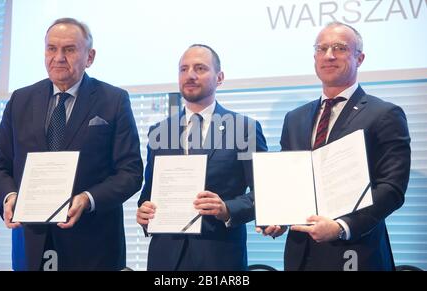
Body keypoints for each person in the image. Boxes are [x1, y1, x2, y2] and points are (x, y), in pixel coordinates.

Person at [0, 18, 143, 271]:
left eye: (69, 49)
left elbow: (131, 173)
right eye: (51, 48)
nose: (58, 57)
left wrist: (87, 198)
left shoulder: (113, 100)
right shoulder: (20, 100)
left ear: (89, 57)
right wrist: (9, 196)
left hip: (93, 248)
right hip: (31, 246)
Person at [258, 21, 410, 271]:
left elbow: (391, 188)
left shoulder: (384, 114)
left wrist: (342, 227)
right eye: (322, 48)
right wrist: (277, 217)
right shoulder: (294, 118)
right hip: (300, 254)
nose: (329, 55)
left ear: (359, 58)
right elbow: (291, 182)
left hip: (356, 252)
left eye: (339, 48)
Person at [136, 44, 268, 271]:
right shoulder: (159, 131)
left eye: (200, 68)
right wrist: (144, 212)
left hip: (219, 256)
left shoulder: (244, 128)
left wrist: (227, 209)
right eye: (183, 69)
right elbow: (149, 194)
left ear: (220, 78)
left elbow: (266, 192)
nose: (190, 75)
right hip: (165, 259)